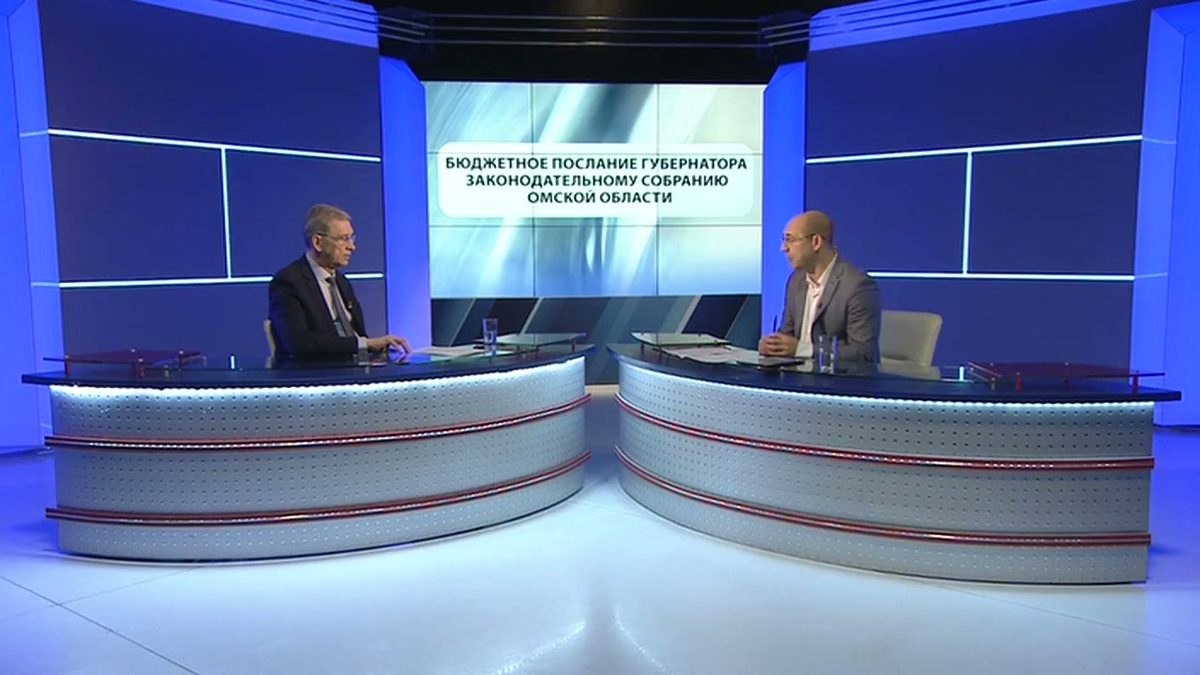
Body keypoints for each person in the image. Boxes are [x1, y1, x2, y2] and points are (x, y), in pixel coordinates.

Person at [268, 204, 411, 358]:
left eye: (352, 238)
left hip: (356, 364)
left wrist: (376, 348)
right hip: (319, 370)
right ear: (317, 242)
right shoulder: (289, 282)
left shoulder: (342, 282)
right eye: (344, 239)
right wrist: (365, 344)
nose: (352, 247)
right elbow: (298, 343)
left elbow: (357, 334)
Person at [758, 210, 881, 362]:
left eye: (790, 240)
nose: (783, 248)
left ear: (816, 242)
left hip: (837, 376)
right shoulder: (796, 281)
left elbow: (863, 352)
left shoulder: (857, 286)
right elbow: (787, 334)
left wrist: (802, 350)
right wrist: (773, 345)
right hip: (796, 374)